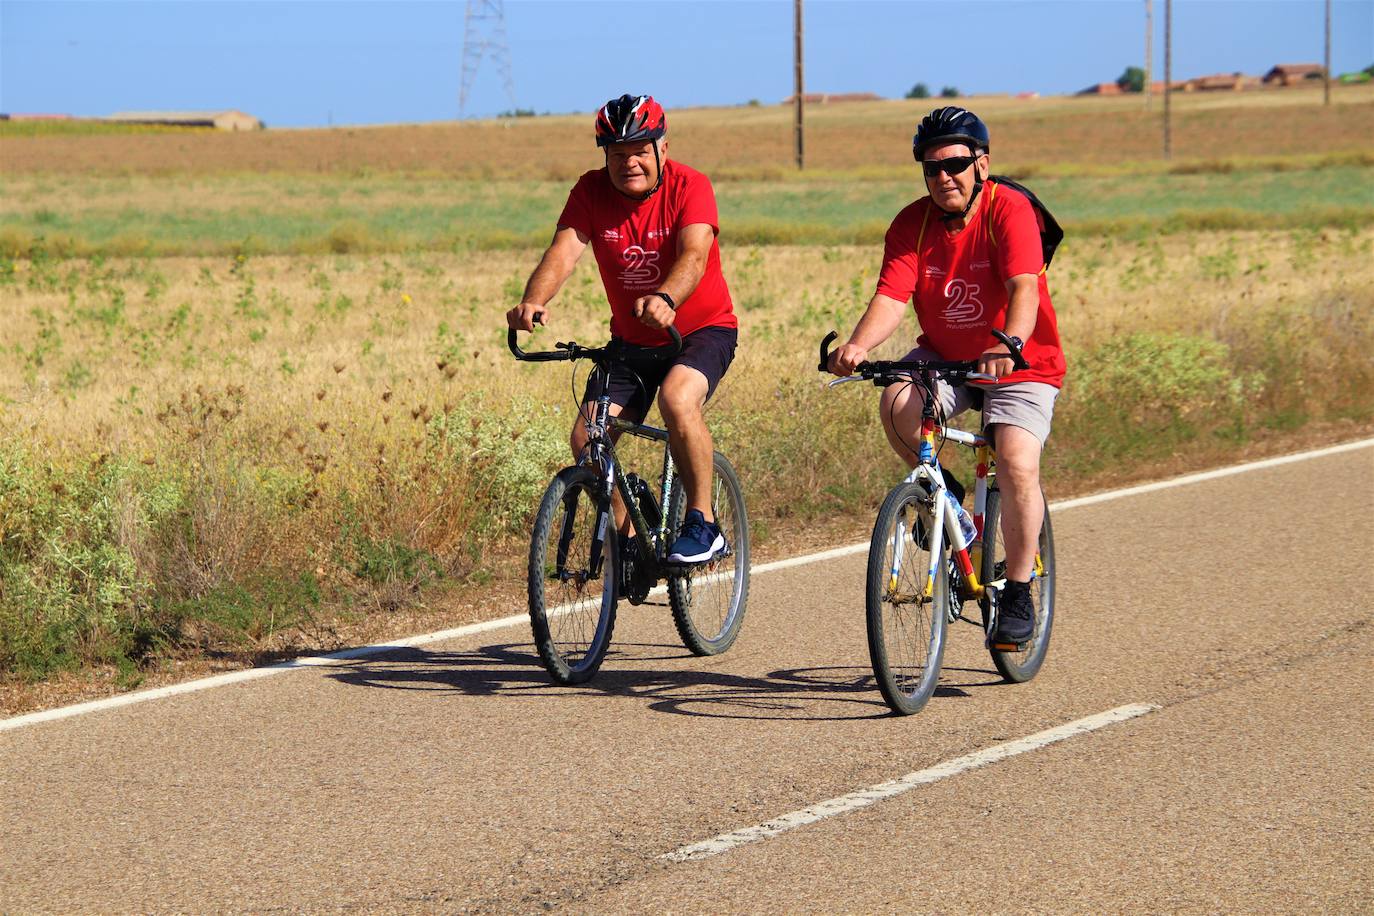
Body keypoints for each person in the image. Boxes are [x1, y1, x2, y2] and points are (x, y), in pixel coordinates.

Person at [826, 106, 1066, 645]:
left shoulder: (1009, 210)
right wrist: (859, 346)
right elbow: (891, 296)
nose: (943, 178)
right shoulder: (912, 224)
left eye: (955, 164)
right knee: (895, 399)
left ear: (982, 164)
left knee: (1014, 462)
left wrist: (1010, 344)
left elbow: (1024, 288)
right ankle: (947, 499)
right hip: (947, 356)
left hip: (1020, 361)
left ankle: (1019, 592)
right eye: (931, 169)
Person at [506, 94, 738, 565]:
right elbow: (563, 252)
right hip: (634, 343)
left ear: (662, 149)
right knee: (587, 436)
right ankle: (630, 537)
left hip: (700, 331)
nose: (628, 163)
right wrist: (534, 299)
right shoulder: (591, 192)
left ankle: (703, 522)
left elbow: (694, 255)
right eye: (616, 154)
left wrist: (667, 298)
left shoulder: (691, 185)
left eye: (638, 151)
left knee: (677, 399)